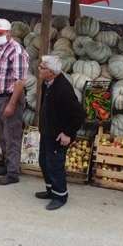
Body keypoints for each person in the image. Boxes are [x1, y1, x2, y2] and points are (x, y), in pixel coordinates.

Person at [36, 55, 87, 210]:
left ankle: (60, 196)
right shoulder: (47, 83)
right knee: (44, 163)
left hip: (58, 136)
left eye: (42, 67)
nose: (39, 68)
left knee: (55, 166)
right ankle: (50, 191)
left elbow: (80, 114)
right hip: (47, 132)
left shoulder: (63, 89)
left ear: (51, 72)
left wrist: (68, 133)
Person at [0, 18, 29, 186]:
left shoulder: (17, 52)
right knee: (2, 135)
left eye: (0, 33)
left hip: (9, 98)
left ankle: (13, 173)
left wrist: (12, 103)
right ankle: (6, 164)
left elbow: (20, 81)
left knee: (12, 136)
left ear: (9, 33)